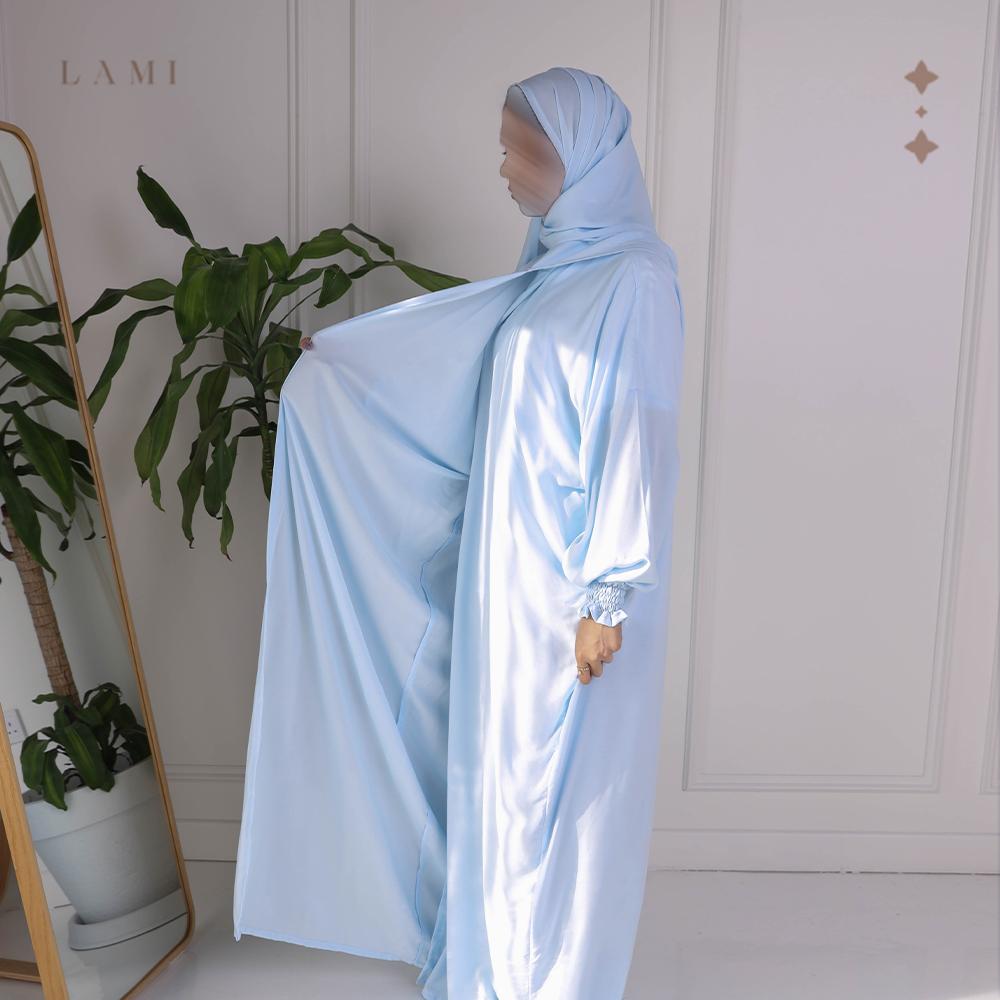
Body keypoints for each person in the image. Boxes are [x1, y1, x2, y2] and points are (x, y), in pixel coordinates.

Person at [234, 67, 685, 1000]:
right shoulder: (554, 269)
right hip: (503, 584)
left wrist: (608, 594)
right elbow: (478, 380)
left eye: (524, 151)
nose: (505, 169)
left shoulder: (633, 278)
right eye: (506, 148)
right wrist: (351, 369)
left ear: (582, 162)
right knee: (497, 785)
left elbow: (631, 435)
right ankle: (495, 968)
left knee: (554, 796)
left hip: (573, 595)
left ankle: (549, 981)